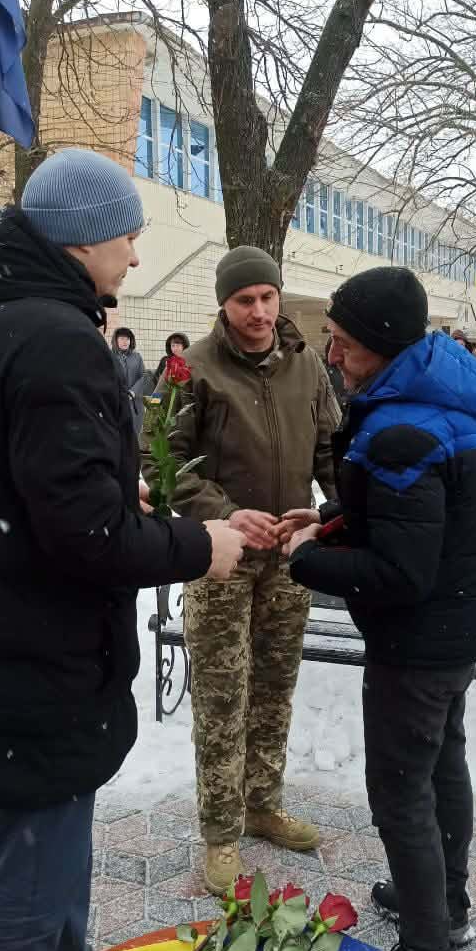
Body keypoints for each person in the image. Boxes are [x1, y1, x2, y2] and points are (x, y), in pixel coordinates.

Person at [0, 148, 245, 951]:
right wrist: (197, 546)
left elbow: (14, 490)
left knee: (45, 844)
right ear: (87, 238)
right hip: (33, 656)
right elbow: (84, 540)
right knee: (36, 859)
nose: (134, 256)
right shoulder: (56, 338)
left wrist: (107, 497)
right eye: (128, 237)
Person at [283, 267, 476, 951]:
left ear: (377, 343)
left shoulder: (402, 428)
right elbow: (406, 510)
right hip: (455, 628)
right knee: (442, 769)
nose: (331, 356)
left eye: (340, 342)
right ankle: (446, 905)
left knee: (401, 792)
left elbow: (400, 570)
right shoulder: (431, 402)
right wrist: (330, 519)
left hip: (419, 640)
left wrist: (301, 559)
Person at [141, 245, 341, 896]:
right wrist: (224, 514)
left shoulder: (306, 366)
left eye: (266, 297)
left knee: (275, 688)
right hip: (221, 559)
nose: (258, 312)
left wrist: (327, 515)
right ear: (223, 305)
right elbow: (160, 464)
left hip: (287, 558)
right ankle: (220, 833)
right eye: (243, 300)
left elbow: (328, 451)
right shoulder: (190, 371)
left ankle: (262, 804)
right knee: (223, 699)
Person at [110, 325, 153, 432]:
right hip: (117, 402)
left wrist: (133, 392)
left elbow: (144, 376)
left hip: (135, 404)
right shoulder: (109, 357)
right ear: (116, 340)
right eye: (122, 338)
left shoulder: (137, 356)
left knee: (135, 434)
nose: (125, 341)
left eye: (127, 339)